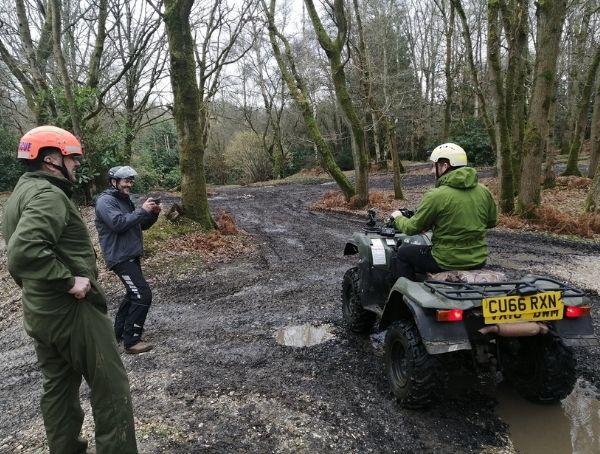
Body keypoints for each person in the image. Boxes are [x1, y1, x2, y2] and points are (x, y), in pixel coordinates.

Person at [2, 125, 138, 453]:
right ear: (51, 159)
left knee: (58, 391)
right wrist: (67, 280)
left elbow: (22, 252)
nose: (77, 164)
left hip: (39, 310)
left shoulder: (20, 193)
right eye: (72, 157)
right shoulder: (49, 195)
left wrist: (41, 286)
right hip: (72, 310)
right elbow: (22, 254)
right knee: (111, 387)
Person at [390, 142, 498, 280]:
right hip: (478, 259)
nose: (431, 171)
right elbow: (492, 222)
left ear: (444, 166)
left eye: (433, 165)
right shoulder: (484, 191)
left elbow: (411, 228)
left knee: (403, 254)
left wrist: (398, 218)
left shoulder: (436, 195)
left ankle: (402, 297)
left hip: (445, 261)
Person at [95, 165, 160, 354]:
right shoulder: (106, 202)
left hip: (130, 254)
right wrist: (142, 210)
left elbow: (140, 225)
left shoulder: (124, 200)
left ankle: (118, 334)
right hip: (120, 256)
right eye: (125, 181)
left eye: (131, 181)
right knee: (142, 294)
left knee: (133, 294)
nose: (129, 184)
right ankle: (132, 341)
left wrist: (152, 214)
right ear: (114, 182)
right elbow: (118, 224)